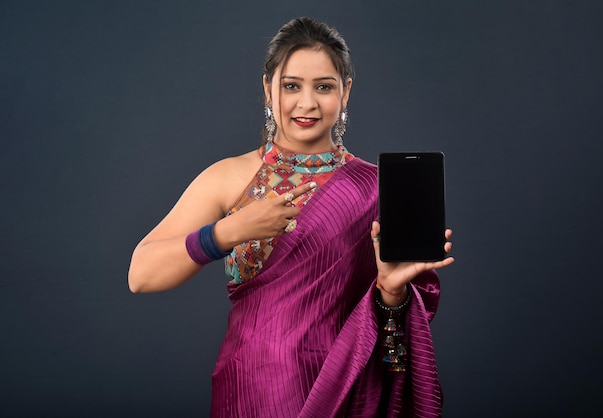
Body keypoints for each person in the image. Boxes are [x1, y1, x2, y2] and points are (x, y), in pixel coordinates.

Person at [128, 16, 454, 418]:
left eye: (324, 87)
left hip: (341, 386)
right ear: (268, 89)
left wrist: (390, 294)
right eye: (291, 86)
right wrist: (229, 231)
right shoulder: (228, 178)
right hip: (251, 386)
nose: (307, 103)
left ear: (346, 92)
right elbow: (140, 275)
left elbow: (396, 348)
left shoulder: (375, 187)